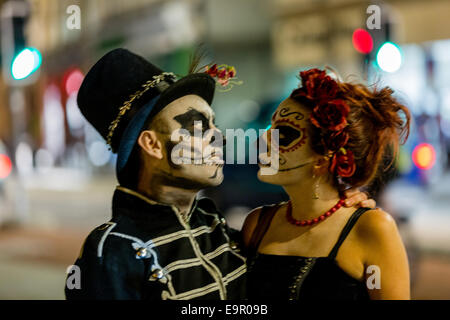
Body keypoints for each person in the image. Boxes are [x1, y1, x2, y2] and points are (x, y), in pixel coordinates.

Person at [65, 49, 373, 300]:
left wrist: (334, 208)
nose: (219, 138)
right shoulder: (113, 251)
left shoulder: (219, 229)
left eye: (214, 125)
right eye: (199, 127)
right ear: (152, 144)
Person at [242, 68, 411, 300]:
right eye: (270, 128)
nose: (264, 139)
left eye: (282, 134)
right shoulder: (257, 224)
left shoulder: (372, 228)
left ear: (323, 158)